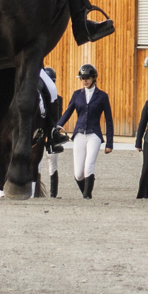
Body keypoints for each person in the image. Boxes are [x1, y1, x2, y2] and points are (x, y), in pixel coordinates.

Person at [57, 63, 112, 198]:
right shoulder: (77, 94)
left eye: (87, 78)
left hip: (94, 134)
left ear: (94, 78)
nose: (85, 81)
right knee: (78, 173)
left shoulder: (102, 96)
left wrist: (109, 143)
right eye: (82, 78)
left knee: (89, 165)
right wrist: (58, 127)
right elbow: (68, 112)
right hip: (79, 134)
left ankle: (87, 196)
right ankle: (86, 194)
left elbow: (109, 120)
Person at [38, 66, 65, 197]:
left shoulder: (58, 99)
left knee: (52, 163)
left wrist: (52, 131)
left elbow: (57, 117)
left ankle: (53, 193)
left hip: (48, 129)